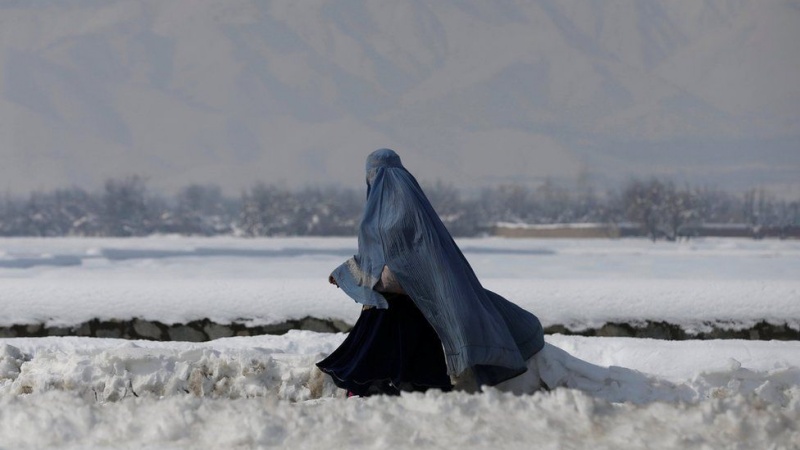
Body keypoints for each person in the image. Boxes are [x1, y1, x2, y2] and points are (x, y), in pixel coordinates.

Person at [317, 149, 545, 397]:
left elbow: (388, 272)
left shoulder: (382, 220)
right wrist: (347, 273)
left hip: (403, 309)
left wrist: (347, 276)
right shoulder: (418, 212)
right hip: (423, 306)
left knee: (379, 356)